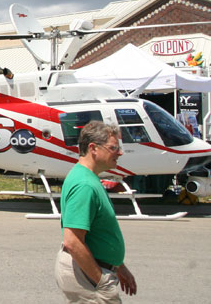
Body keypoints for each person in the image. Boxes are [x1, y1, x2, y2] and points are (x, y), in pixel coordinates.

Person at [55, 121, 137, 303]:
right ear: (93, 148)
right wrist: (101, 281)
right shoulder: (84, 185)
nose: (120, 152)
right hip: (87, 276)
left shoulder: (88, 179)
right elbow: (72, 240)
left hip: (92, 271)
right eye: (113, 147)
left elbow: (98, 233)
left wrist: (118, 266)